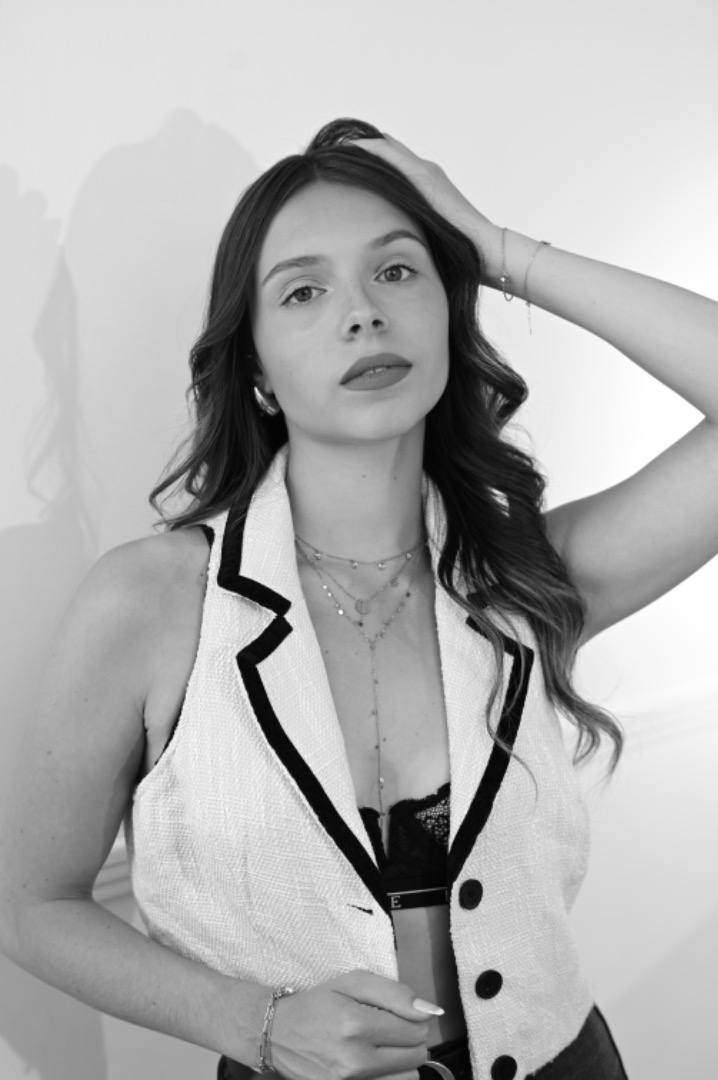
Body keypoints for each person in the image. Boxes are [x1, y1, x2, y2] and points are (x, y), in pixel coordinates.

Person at [1, 116, 717, 1080]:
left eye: (397, 271)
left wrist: (495, 246)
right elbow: (30, 905)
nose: (363, 314)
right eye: (305, 291)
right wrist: (255, 1022)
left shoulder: (530, 577)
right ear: (256, 373)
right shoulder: (154, 601)